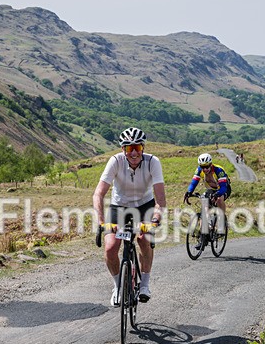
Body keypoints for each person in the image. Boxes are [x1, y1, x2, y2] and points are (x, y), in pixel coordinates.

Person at [93, 127, 166, 305]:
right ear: (123, 149)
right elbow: (98, 194)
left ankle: (145, 285)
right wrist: (101, 222)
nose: (134, 153)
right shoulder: (115, 161)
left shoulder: (153, 162)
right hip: (120, 206)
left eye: (137, 148)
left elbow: (160, 199)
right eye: (129, 148)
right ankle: (118, 286)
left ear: (143, 148)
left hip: (144, 205)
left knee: (143, 239)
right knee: (110, 248)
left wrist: (154, 220)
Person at [183, 153, 231, 234]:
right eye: (202, 167)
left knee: (219, 199)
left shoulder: (218, 170)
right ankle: (204, 233)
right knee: (204, 207)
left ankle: (222, 220)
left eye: (207, 166)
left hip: (223, 188)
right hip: (211, 189)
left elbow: (223, 187)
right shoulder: (199, 170)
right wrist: (189, 192)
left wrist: (217, 194)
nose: (205, 169)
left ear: (211, 164)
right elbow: (193, 183)